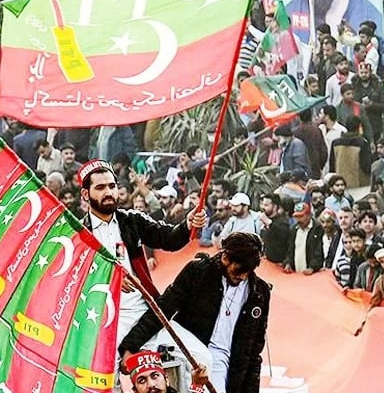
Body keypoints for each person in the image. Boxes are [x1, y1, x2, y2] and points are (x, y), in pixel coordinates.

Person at [78, 159, 207, 385]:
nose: (108, 192)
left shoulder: (133, 220)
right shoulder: (78, 233)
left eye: (111, 186)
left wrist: (187, 225)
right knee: (104, 381)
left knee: (200, 358)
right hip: (102, 319)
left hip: (146, 314)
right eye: (100, 188)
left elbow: (169, 239)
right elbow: (73, 281)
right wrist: (110, 279)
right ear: (85, 194)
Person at [120, 232, 270, 393]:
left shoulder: (259, 293)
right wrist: (130, 346)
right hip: (192, 357)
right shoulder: (198, 272)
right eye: (240, 270)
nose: (243, 276)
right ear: (226, 258)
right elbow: (163, 309)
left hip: (229, 366)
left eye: (249, 271)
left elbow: (253, 351)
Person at [284, 202, 324, 274]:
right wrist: (288, 263)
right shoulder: (294, 229)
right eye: (296, 217)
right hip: (296, 273)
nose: (298, 220)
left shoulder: (318, 229)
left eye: (301, 216)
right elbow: (290, 249)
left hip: (312, 274)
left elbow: (319, 251)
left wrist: (312, 267)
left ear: (309, 215)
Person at [259, 193, 290, 264]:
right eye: (263, 204)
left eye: (266, 205)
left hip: (278, 264)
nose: (263, 207)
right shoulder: (264, 222)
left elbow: (282, 237)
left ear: (275, 207)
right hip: (267, 262)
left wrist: (269, 223)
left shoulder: (282, 222)